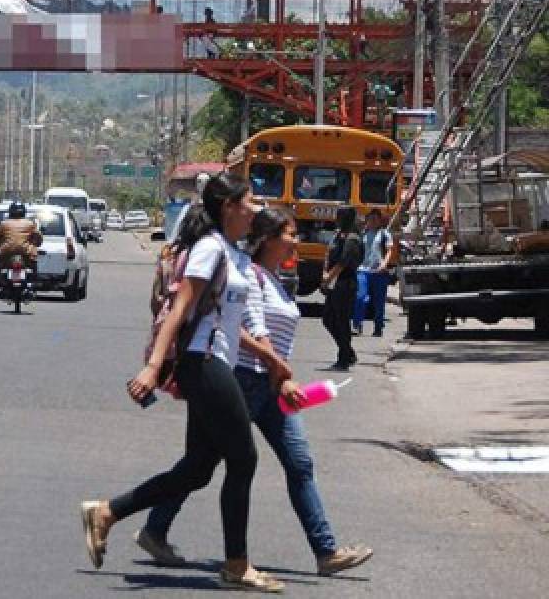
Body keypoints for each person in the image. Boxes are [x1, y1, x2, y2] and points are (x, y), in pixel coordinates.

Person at [137, 208, 375, 577]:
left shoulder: (276, 280)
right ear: (268, 239)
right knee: (202, 464)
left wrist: (281, 375)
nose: (296, 241)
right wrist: (276, 364)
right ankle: (152, 527)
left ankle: (326, 551)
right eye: (290, 233)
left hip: (272, 386)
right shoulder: (248, 276)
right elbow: (239, 331)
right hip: (243, 381)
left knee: (299, 464)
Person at [79, 173, 284, 593]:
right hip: (203, 362)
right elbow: (179, 309)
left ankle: (107, 513)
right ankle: (237, 564)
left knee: (196, 470)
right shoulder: (210, 249)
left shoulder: (227, 249)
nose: (255, 211)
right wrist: (153, 367)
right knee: (243, 458)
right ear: (229, 207)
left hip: (212, 362)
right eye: (250, 203)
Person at [322, 206, 363, 370]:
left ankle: (344, 358)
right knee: (328, 319)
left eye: (341, 216)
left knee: (341, 320)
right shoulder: (338, 235)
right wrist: (324, 274)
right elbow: (328, 254)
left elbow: (344, 262)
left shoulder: (353, 238)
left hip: (345, 282)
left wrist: (329, 277)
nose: (337, 218)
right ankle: (347, 350)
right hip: (334, 281)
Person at [353, 209, 393, 337]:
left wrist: (384, 264)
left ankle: (378, 326)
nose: (373, 221)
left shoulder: (384, 234)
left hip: (379, 272)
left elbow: (389, 251)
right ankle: (357, 323)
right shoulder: (363, 234)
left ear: (380, 221)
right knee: (360, 297)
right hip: (363, 270)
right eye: (370, 219)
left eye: (376, 219)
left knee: (379, 302)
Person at [0, 201, 43, 273]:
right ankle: (33, 277)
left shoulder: (4, 224)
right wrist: (37, 243)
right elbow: (38, 236)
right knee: (33, 263)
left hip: (6, 251)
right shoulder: (30, 224)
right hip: (26, 252)